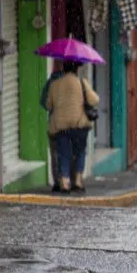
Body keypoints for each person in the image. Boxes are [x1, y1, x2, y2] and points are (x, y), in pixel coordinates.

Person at [46, 60, 99, 193]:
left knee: (63, 153)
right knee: (80, 152)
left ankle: (64, 183)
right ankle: (78, 181)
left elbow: (48, 105)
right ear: (76, 68)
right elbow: (94, 100)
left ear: (63, 68)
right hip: (79, 124)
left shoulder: (54, 84)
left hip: (61, 125)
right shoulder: (81, 82)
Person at [40, 64, 65, 192]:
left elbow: (44, 103)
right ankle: (67, 180)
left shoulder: (51, 82)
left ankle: (57, 182)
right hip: (69, 124)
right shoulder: (73, 82)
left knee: (55, 153)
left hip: (54, 123)